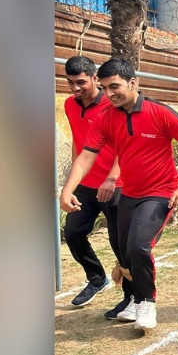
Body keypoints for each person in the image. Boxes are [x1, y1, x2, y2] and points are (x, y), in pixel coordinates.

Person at [59, 58, 178, 331]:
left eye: (115, 87)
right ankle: (134, 300)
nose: (109, 94)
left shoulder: (160, 112)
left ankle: (146, 302)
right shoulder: (105, 118)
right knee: (124, 251)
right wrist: (67, 190)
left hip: (160, 192)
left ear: (133, 83)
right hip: (129, 194)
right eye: (105, 88)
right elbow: (86, 156)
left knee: (138, 245)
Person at [60, 56, 129, 314]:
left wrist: (113, 177)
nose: (75, 88)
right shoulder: (69, 105)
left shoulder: (113, 105)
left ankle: (131, 297)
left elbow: (125, 146)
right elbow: (78, 143)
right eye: (70, 82)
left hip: (115, 185)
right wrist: (72, 180)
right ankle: (97, 278)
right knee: (73, 233)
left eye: (81, 82)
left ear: (94, 78)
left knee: (120, 243)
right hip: (86, 185)